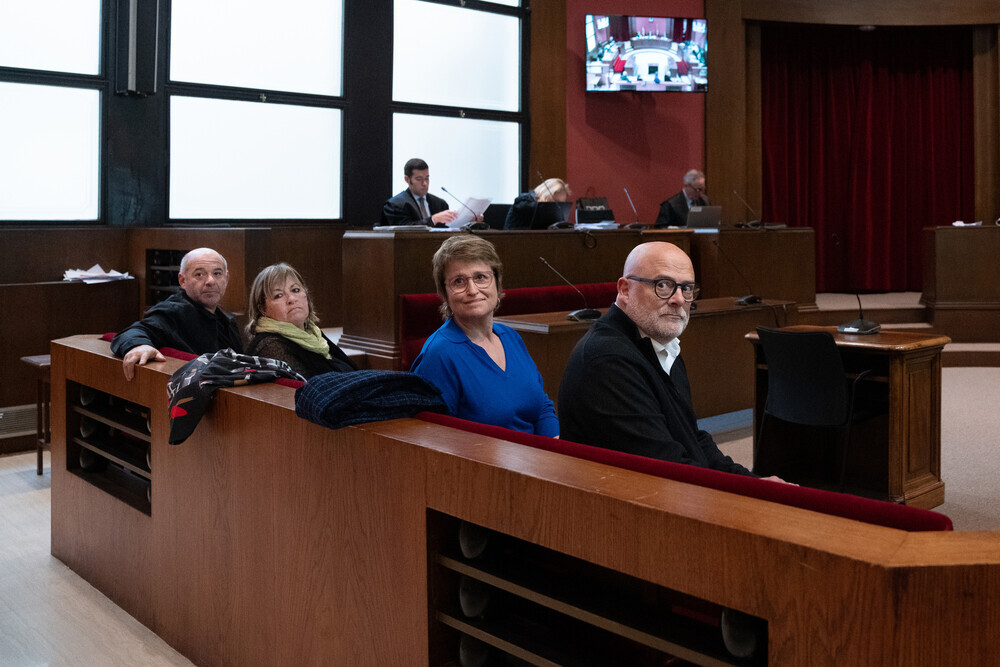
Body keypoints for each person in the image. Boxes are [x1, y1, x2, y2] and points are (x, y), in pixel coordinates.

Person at [559, 242, 784, 479]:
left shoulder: (660, 342)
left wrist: (753, 482)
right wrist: (750, 493)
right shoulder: (606, 361)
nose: (678, 299)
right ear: (625, 290)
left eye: (686, 288)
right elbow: (667, 468)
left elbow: (692, 438)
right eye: (663, 285)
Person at [411, 235, 558, 436]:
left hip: (537, 461)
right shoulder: (439, 355)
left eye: (481, 277)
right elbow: (437, 440)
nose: (472, 290)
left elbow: (542, 407)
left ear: (497, 284)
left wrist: (553, 448)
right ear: (444, 294)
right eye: (458, 281)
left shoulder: (511, 337)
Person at [111, 248, 243, 381]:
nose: (210, 281)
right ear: (182, 280)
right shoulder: (172, 312)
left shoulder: (227, 321)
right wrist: (139, 346)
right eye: (199, 275)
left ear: (227, 278)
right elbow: (134, 331)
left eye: (217, 273)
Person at [245, 263, 357, 379]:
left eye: (295, 290)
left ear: (306, 295)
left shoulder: (313, 333)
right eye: (278, 295)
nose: (291, 299)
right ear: (262, 309)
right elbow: (309, 392)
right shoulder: (270, 346)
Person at [380, 157, 457, 227]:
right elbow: (404, 230)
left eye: (427, 178)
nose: (425, 183)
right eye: (419, 179)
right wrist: (433, 220)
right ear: (407, 179)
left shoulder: (440, 204)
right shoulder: (395, 205)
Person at [504, 178, 572, 230]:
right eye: (555, 201)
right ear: (547, 195)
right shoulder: (523, 200)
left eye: (561, 203)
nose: (557, 206)